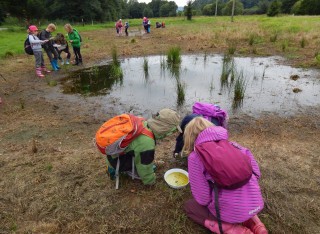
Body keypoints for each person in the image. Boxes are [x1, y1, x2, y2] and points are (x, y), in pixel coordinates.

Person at [183, 117, 268, 234]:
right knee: (242, 199)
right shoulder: (235, 146)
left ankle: (233, 230)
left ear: (190, 138)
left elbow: (203, 199)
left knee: (190, 206)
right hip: (255, 202)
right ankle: (256, 224)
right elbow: (256, 174)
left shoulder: (195, 157)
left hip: (229, 213)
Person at [98, 109, 181, 188]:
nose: (171, 134)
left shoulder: (142, 121)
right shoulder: (147, 143)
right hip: (116, 162)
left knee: (145, 156)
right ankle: (126, 171)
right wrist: (150, 181)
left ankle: (119, 168)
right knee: (146, 160)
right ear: (165, 128)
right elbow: (144, 166)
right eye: (172, 130)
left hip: (113, 156)